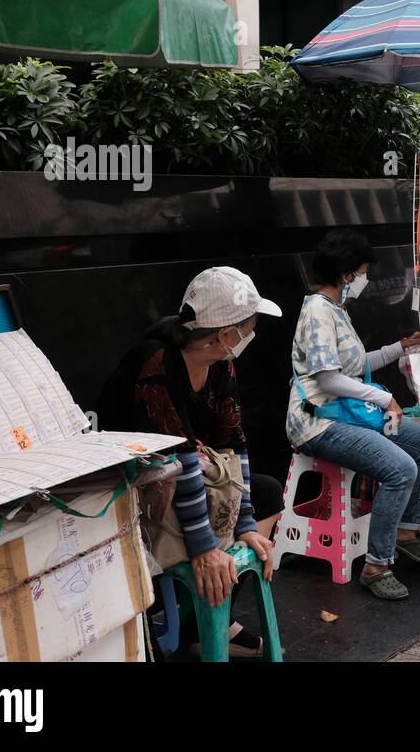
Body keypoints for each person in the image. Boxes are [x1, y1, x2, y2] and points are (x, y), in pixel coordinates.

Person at [96, 266, 285, 657]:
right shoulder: (156, 362)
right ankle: (190, 612)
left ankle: (209, 616)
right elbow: (176, 455)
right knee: (204, 528)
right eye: (248, 327)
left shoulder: (221, 364)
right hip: (134, 489)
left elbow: (235, 444)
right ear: (226, 334)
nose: (251, 335)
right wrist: (203, 547)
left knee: (265, 493)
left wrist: (246, 523)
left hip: (185, 475)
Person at [286, 229, 420, 601]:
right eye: (364, 271)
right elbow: (328, 378)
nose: (365, 279)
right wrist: (383, 398)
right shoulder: (319, 311)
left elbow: (354, 367)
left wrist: (398, 348)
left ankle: (404, 532)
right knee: (401, 469)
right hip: (320, 422)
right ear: (347, 273)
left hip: (346, 415)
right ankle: (376, 564)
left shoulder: (336, 310)